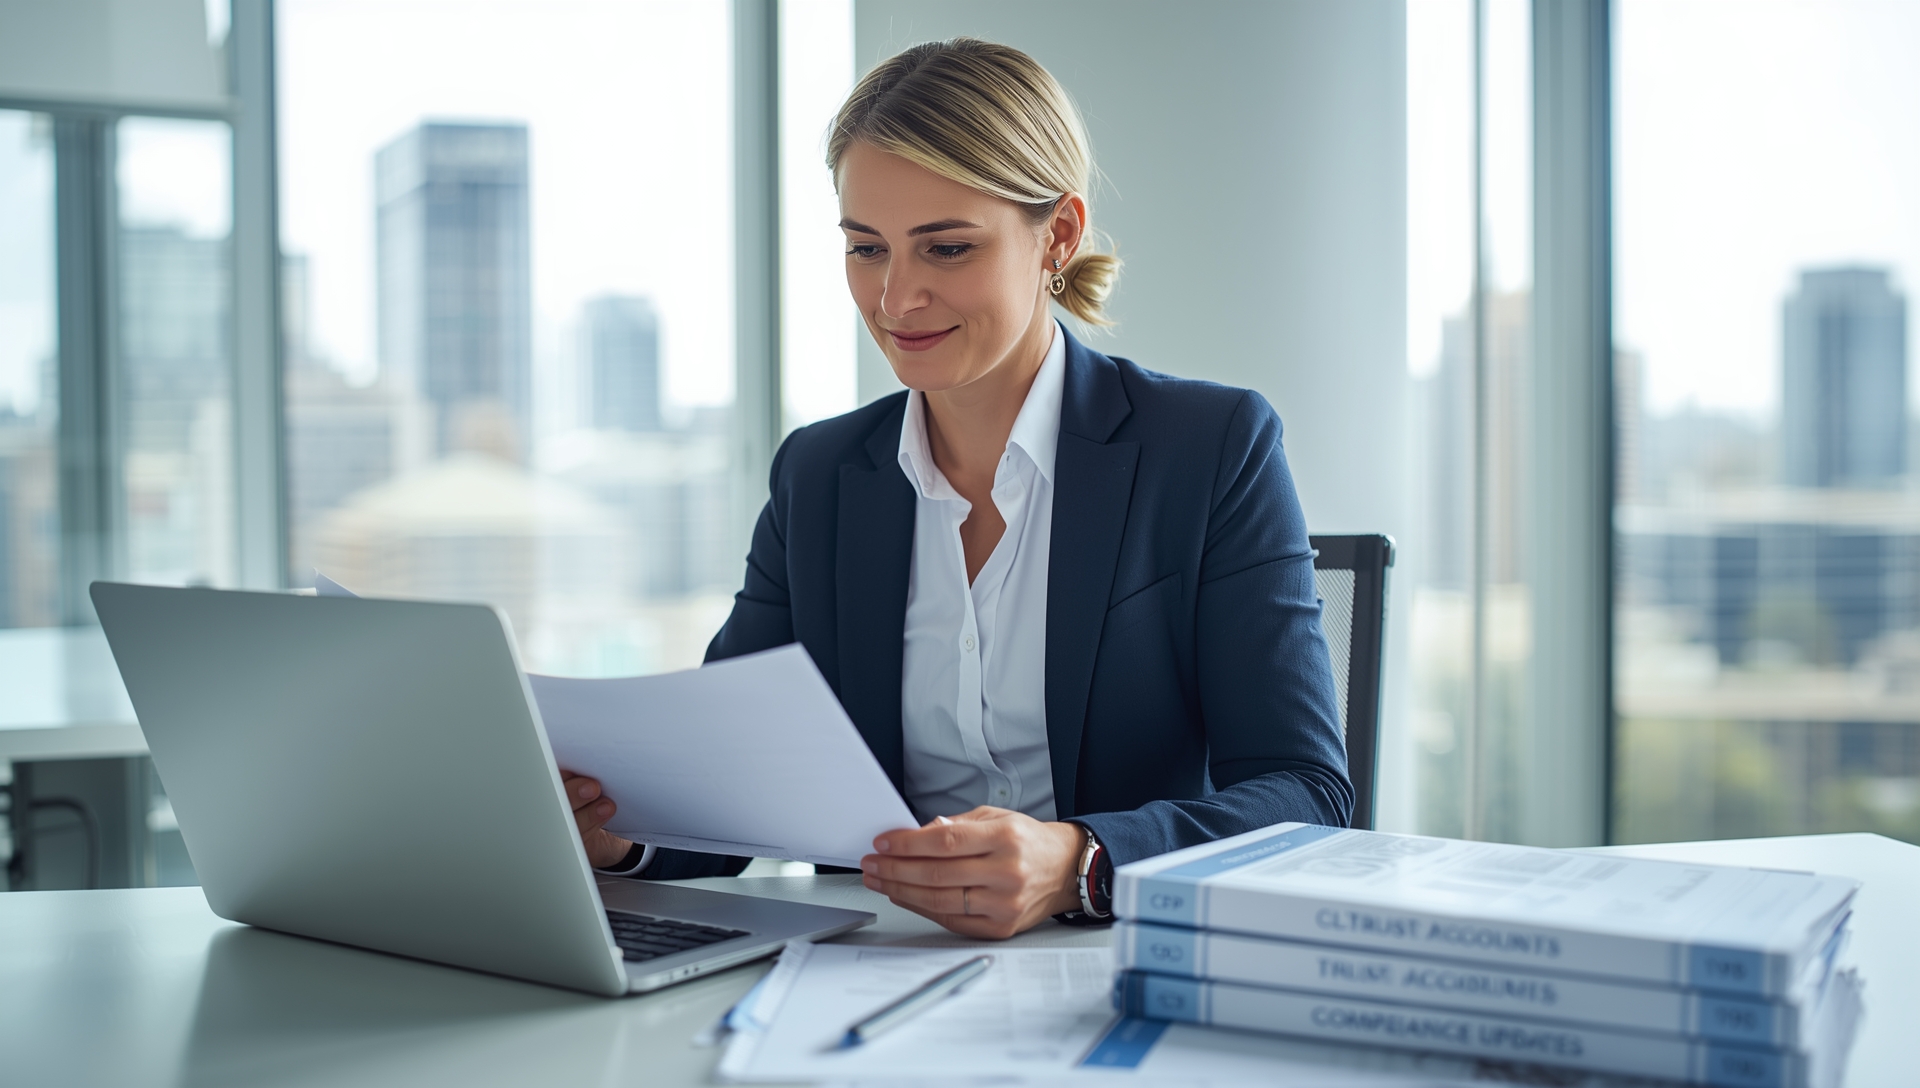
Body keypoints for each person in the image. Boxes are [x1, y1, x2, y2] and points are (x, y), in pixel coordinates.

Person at [561, 37, 1350, 939]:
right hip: (862, 967)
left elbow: (1307, 792)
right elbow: (730, 790)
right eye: (866, 248)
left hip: (1117, 965)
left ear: (1057, 235)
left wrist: (1080, 862)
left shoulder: (1209, 449)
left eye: (945, 248)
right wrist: (614, 837)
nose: (896, 299)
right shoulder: (819, 477)